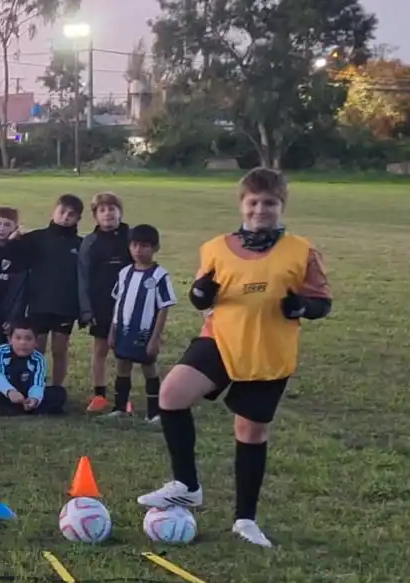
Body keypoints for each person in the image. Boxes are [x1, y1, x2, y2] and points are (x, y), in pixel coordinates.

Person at [139, 169, 331, 548]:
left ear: (281, 206)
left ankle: (245, 519)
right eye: (254, 202)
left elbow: (322, 303)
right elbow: (200, 297)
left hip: (268, 351)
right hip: (220, 340)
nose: (261, 209)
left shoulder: (301, 251)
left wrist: (302, 307)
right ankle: (187, 485)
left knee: (250, 432)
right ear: (242, 205)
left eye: (270, 203)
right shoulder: (215, 247)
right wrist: (200, 292)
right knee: (172, 394)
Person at [103, 224, 174, 423]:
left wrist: (155, 337)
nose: (138, 250)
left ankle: (155, 412)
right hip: (123, 329)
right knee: (122, 366)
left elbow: (164, 307)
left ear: (155, 248)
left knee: (149, 369)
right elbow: (118, 302)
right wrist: (112, 330)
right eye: (134, 245)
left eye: (144, 246)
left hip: (145, 332)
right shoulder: (125, 272)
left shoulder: (160, 276)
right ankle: (120, 408)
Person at [19, 194, 84, 390]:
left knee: (59, 349)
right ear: (53, 211)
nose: (65, 217)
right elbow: (10, 253)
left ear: (78, 219)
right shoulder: (36, 238)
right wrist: (15, 238)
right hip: (39, 302)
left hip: (66, 305)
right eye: (62, 212)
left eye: (71, 214)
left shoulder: (81, 245)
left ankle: (57, 389)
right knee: (36, 348)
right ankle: (33, 386)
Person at [79, 192, 132, 412]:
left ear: (120, 212)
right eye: (102, 210)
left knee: (124, 352)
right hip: (101, 304)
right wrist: (86, 310)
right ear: (95, 216)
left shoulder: (131, 238)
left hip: (128, 305)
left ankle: (123, 397)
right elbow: (82, 277)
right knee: (100, 350)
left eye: (112, 209)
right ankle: (99, 395)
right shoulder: (90, 243)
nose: (108, 214)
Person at [0, 319, 66, 415]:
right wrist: (10, 392)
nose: (23, 343)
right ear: (10, 340)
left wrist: (34, 398)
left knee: (59, 393)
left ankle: (23, 407)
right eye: (18, 338)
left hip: (27, 391)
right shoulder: (1, 351)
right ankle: (27, 409)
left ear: (36, 342)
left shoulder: (38, 358)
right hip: (6, 391)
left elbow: (38, 383)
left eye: (28, 339)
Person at [0, 206, 28, 385]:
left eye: (7, 224)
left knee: (9, 350)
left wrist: (13, 317)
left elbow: (20, 288)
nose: (1, 228)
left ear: (15, 227)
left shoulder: (20, 252)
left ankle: (11, 383)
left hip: (9, 312)